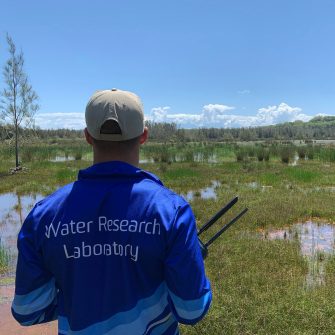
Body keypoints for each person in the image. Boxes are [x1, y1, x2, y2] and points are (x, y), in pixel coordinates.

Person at [11, 88, 212, 335]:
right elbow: (191, 310)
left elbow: (27, 311)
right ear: (143, 136)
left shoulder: (44, 215)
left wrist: (76, 301)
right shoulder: (172, 212)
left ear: (87, 136)